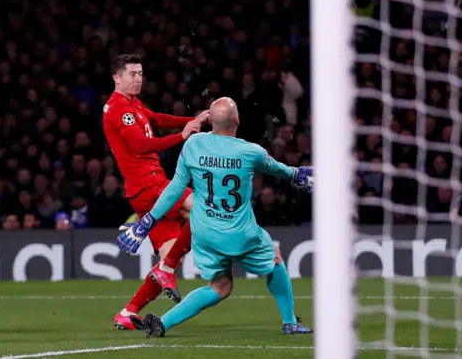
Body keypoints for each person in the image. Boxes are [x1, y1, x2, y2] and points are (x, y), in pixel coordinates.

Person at [116, 97, 314, 337]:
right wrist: (296, 175)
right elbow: (278, 170)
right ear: (237, 120)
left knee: (221, 286)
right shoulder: (251, 151)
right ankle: (290, 322)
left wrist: (148, 221)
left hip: (204, 233)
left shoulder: (194, 145)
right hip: (239, 232)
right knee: (274, 260)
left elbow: (175, 188)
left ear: (209, 120)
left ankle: (162, 322)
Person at [103, 53, 209, 330]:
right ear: (117, 77)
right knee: (203, 207)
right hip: (149, 186)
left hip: (149, 186)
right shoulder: (117, 109)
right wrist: (183, 136)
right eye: (132, 74)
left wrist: (194, 120)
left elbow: (157, 119)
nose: (138, 79)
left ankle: (128, 312)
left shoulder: (133, 104)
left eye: (140, 73)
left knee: (170, 257)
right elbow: (139, 146)